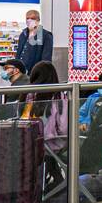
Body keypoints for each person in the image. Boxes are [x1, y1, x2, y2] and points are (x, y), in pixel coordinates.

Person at [21, 61, 66, 194]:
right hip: (51, 142)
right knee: (50, 150)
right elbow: (64, 128)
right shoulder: (60, 96)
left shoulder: (28, 94)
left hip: (29, 140)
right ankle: (56, 178)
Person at [15, 9, 53, 74]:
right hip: (20, 72)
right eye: (27, 18)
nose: (29, 20)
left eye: (32, 18)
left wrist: (41, 74)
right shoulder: (23, 34)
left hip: (35, 73)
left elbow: (46, 58)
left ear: (38, 20)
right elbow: (19, 52)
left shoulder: (45, 35)